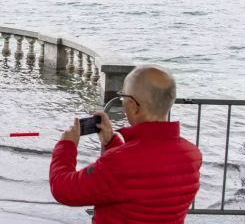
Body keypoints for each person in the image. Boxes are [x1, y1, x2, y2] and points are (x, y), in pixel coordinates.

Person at [49, 65, 202, 223]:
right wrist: (112, 143)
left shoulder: (118, 163)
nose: (123, 103)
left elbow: (64, 189)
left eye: (123, 97)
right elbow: (141, 180)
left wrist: (66, 146)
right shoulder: (192, 155)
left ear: (134, 106)